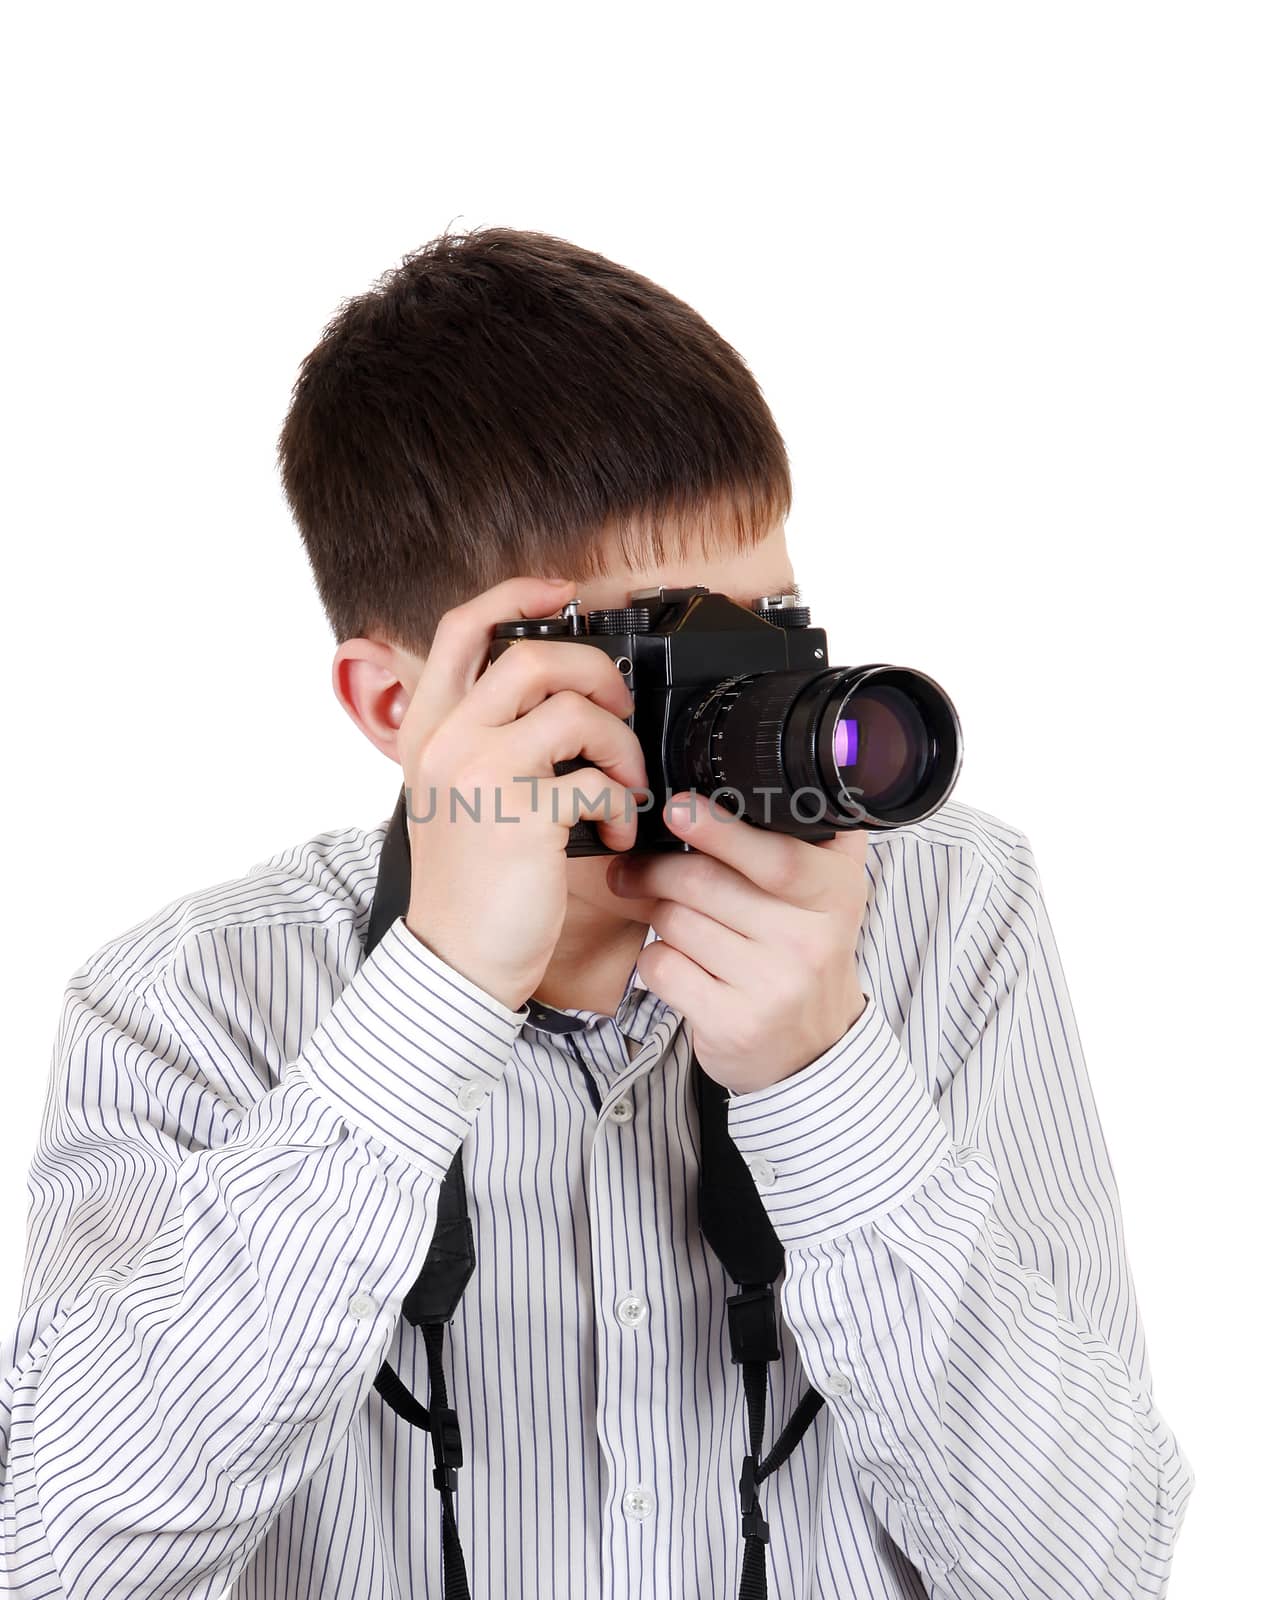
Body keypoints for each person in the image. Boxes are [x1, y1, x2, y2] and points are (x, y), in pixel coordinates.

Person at [0, 226, 1191, 1600]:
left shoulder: (947, 909)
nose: (747, 703)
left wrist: (827, 1074)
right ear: (403, 707)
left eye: (770, 628)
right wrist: (431, 1000)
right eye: (666, 652)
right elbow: (56, 1557)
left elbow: (1093, 1569)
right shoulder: (187, 1001)